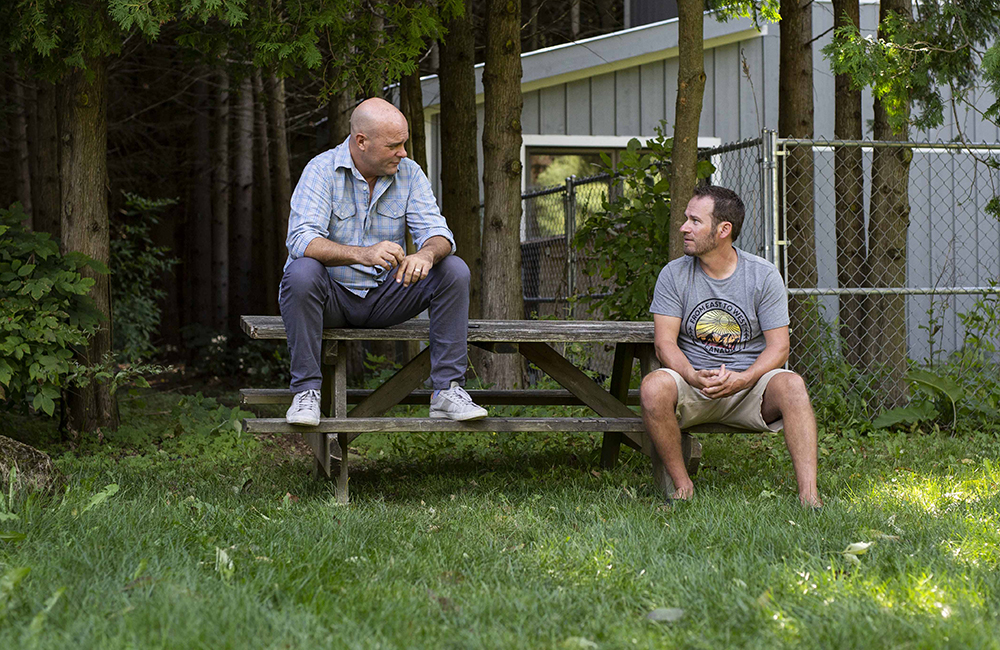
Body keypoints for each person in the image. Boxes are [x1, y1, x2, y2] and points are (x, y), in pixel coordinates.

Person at [279, 97, 487, 426]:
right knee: (301, 271)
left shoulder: (409, 174)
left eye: (403, 143)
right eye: (395, 145)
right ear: (361, 142)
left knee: (452, 269)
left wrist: (425, 254)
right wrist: (362, 253)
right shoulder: (321, 171)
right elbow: (301, 240)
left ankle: (446, 391)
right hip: (331, 299)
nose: (403, 152)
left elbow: (440, 234)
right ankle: (306, 392)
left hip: (386, 296)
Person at [639, 185, 822, 507]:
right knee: (653, 387)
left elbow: (779, 348)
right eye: (686, 219)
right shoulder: (674, 274)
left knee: (793, 385)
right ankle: (682, 486)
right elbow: (664, 342)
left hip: (749, 388)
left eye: (694, 221)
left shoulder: (762, 275)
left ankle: (810, 496)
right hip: (693, 384)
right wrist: (691, 375)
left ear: (723, 230)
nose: (684, 227)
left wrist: (745, 378)